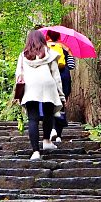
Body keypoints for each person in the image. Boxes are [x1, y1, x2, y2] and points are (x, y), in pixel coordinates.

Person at [13, 29, 66, 161]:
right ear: (43, 40)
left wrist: (18, 93)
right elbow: (56, 76)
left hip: (31, 87)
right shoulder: (50, 54)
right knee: (48, 114)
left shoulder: (23, 56)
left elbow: (19, 75)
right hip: (48, 85)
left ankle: (36, 152)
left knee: (33, 119)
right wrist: (61, 96)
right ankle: (47, 141)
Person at [45, 30, 75, 143]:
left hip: (49, 77)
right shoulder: (65, 48)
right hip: (64, 78)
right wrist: (69, 53)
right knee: (62, 105)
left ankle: (52, 129)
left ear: (47, 36)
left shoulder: (44, 48)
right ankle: (59, 135)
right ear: (59, 36)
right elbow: (71, 66)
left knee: (50, 105)